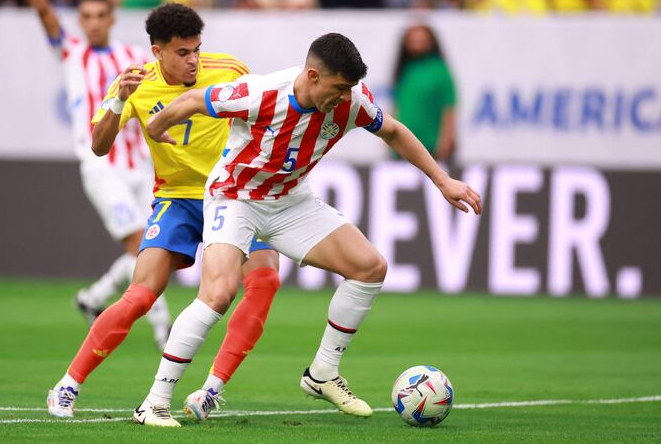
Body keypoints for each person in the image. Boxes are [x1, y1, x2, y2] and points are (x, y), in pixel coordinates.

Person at [137, 32, 483, 426]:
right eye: (338, 88)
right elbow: (194, 100)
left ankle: (322, 374)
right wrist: (156, 127)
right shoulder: (261, 93)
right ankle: (154, 402)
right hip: (235, 198)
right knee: (218, 293)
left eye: (349, 88)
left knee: (370, 267)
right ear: (313, 76)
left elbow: (394, 132)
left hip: (289, 202)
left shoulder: (352, 101)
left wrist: (443, 181)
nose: (344, 97)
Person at [45, 1, 282, 425]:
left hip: (233, 194)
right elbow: (99, 146)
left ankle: (211, 389)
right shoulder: (134, 83)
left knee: (264, 279)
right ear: (157, 52)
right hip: (176, 198)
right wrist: (118, 100)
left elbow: (266, 115)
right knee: (140, 295)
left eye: (196, 50)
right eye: (182, 53)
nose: (193, 60)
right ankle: (68, 384)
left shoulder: (228, 69)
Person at [11, 0, 172, 346]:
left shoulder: (132, 58)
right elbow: (42, 8)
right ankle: (162, 327)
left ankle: (93, 296)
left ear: (112, 18)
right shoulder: (71, 53)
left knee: (157, 247)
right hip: (102, 166)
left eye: (101, 15)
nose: (95, 23)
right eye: (87, 17)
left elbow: (158, 97)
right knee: (142, 245)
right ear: (80, 21)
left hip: (141, 165)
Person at [392, 24, 457, 161]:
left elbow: (449, 108)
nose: (416, 44)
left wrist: (445, 142)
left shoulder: (439, 70)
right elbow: (398, 105)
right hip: (402, 144)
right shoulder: (406, 68)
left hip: (430, 146)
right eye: (412, 40)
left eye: (421, 40)